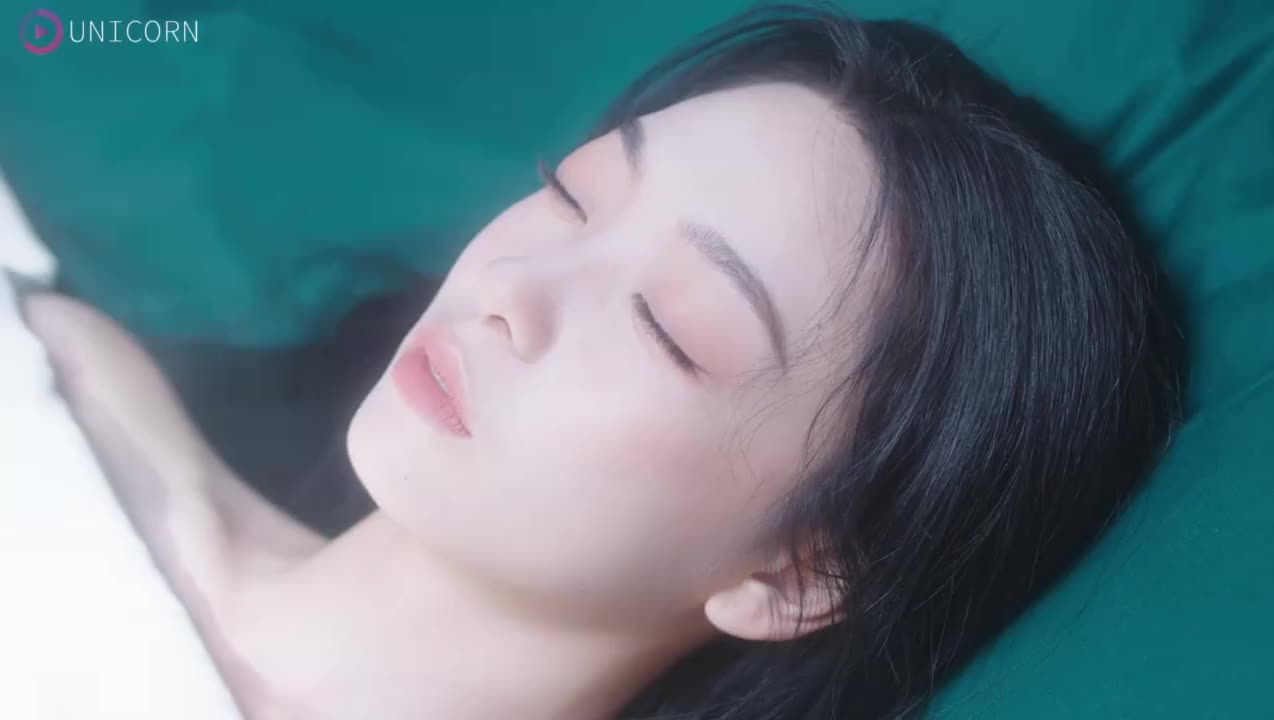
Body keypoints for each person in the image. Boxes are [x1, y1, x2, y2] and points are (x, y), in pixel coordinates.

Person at [21, 4, 1182, 719]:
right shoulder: (55, 366)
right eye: (572, 195)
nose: (512, 288)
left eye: (668, 325)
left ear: (799, 572)